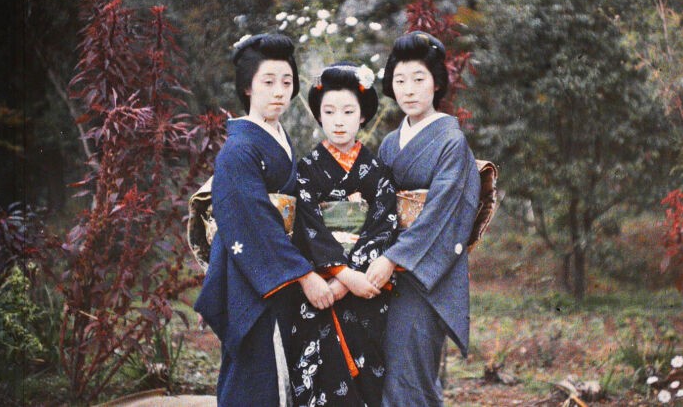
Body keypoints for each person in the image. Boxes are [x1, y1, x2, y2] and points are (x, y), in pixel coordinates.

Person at [194, 33, 335, 406]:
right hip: (253, 279)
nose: (279, 92)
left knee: (279, 377)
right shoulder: (238, 149)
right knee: (257, 376)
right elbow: (254, 221)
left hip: (277, 273)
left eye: (287, 82)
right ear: (246, 88)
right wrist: (304, 275)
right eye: (268, 82)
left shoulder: (278, 139)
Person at [365, 31, 481, 406]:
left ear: (436, 83)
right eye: (400, 80)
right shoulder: (388, 144)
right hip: (384, 274)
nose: (408, 89)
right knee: (388, 373)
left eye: (418, 79)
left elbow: (441, 214)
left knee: (411, 376)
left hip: (424, 275)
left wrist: (393, 259)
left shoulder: (451, 142)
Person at [289, 62, 399, 407]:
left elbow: (384, 225)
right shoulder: (306, 170)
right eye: (330, 111)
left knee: (368, 377)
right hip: (321, 285)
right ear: (319, 116)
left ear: (362, 116)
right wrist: (341, 275)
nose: (339, 120)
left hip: (365, 285)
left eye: (348, 111)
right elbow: (307, 226)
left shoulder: (378, 172)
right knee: (317, 374)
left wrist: (348, 279)